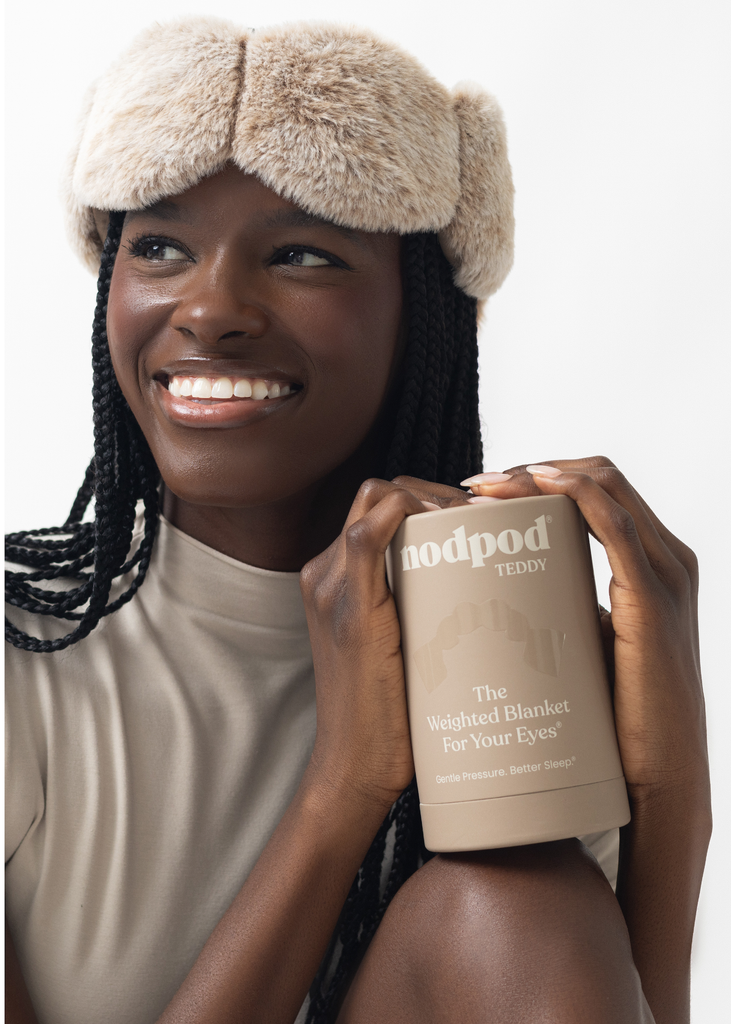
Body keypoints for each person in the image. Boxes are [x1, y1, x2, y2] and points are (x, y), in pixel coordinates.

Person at [4, 16, 710, 1024]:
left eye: (300, 254)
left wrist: (668, 795)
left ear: (425, 317)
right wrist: (343, 790)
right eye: (158, 245)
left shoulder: (497, 664)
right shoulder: (19, 656)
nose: (210, 308)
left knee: (517, 905)